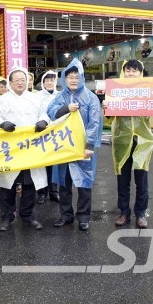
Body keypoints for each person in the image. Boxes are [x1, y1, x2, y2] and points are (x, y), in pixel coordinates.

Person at [104, 60, 153, 229]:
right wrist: (106, 108)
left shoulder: (148, 91)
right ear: (123, 72)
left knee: (142, 180)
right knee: (122, 179)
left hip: (143, 141)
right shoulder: (116, 91)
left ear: (141, 72)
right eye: (128, 70)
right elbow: (109, 118)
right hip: (122, 142)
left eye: (135, 71)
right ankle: (124, 212)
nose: (131, 74)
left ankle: (140, 213)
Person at [0, 67, 49, 232]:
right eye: (17, 80)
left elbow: (45, 114)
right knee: (8, 186)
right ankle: (7, 217)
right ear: (10, 83)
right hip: (11, 149)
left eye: (23, 80)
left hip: (31, 148)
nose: (20, 83)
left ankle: (28, 216)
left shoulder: (35, 98)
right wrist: (2, 123)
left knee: (30, 184)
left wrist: (43, 121)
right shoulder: (3, 100)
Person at [47, 60, 102, 231]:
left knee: (84, 182)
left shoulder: (90, 97)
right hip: (64, 146)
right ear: (65, 79)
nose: (73, 80)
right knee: (64, 183)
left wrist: (89, 145)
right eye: (70, 77)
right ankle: (66, 216)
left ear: (82, 78)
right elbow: (51, 112)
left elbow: (94, 123)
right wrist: (66, 108)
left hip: (82, 146)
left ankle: (83, 217)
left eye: (77, 77)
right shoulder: (60, 96)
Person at [36, 71, 60, 204]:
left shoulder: (60, 95)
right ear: (43, 82)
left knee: (54, 164)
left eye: (52, 80)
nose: (49, 83)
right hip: (41, 134)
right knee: (41, 165)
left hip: (56, 135)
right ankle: (42, 192)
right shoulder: (37, 96)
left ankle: (54, 191)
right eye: (47, 80)